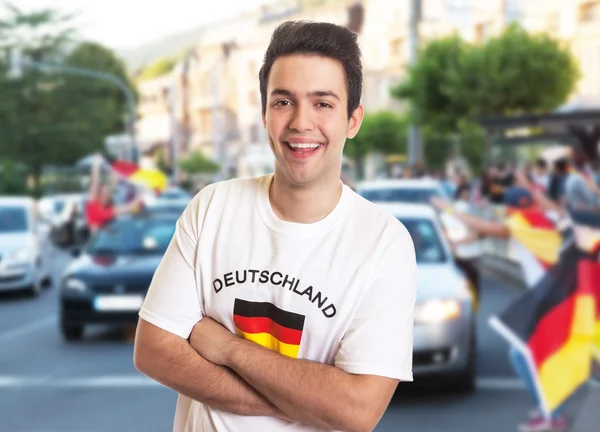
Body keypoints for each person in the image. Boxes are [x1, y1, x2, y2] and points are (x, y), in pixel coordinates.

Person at [133, 21, 417, 432]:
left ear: (353, 120)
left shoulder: (384, 244)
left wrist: (229, 349)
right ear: (264, 113)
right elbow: (154, 351)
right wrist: (302, 402)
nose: (301, 122)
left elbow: (356, 410)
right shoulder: (213, 207)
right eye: (284, 102)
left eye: (323, 103)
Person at [431, 177, 569, 432]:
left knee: (525, 355)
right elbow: (485, 231)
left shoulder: (519, 225)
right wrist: (529, 185)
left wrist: (448, 210)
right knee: (533, 355)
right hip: (557, 296)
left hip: (549, 300)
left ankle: (552, 415)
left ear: (508, 209)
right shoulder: (547, 218)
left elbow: (486, 226)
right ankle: (549, 410)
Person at [85, 155, 141, 234]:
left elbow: (130, 207)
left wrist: (142, 193)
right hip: (99, 243)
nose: (107, 197)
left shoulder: (109, 210)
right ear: (97, 195)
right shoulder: (92, 206)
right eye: (104, 195)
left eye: (108, 195)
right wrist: (96, 165)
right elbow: (95, 182)